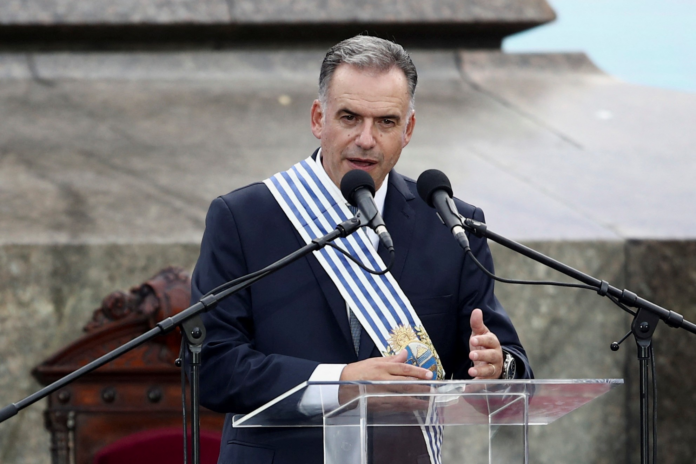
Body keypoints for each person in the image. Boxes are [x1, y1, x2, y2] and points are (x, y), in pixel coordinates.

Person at [191, 35, 532, 464]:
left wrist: (498, 369)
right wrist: (341, 384)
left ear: (408, 130)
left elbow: (512, 370)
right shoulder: (244, 218)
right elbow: (213, 367)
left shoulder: (450, 224)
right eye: (349, 117)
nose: (366, 139)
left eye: (386, 122)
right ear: (319, 119)